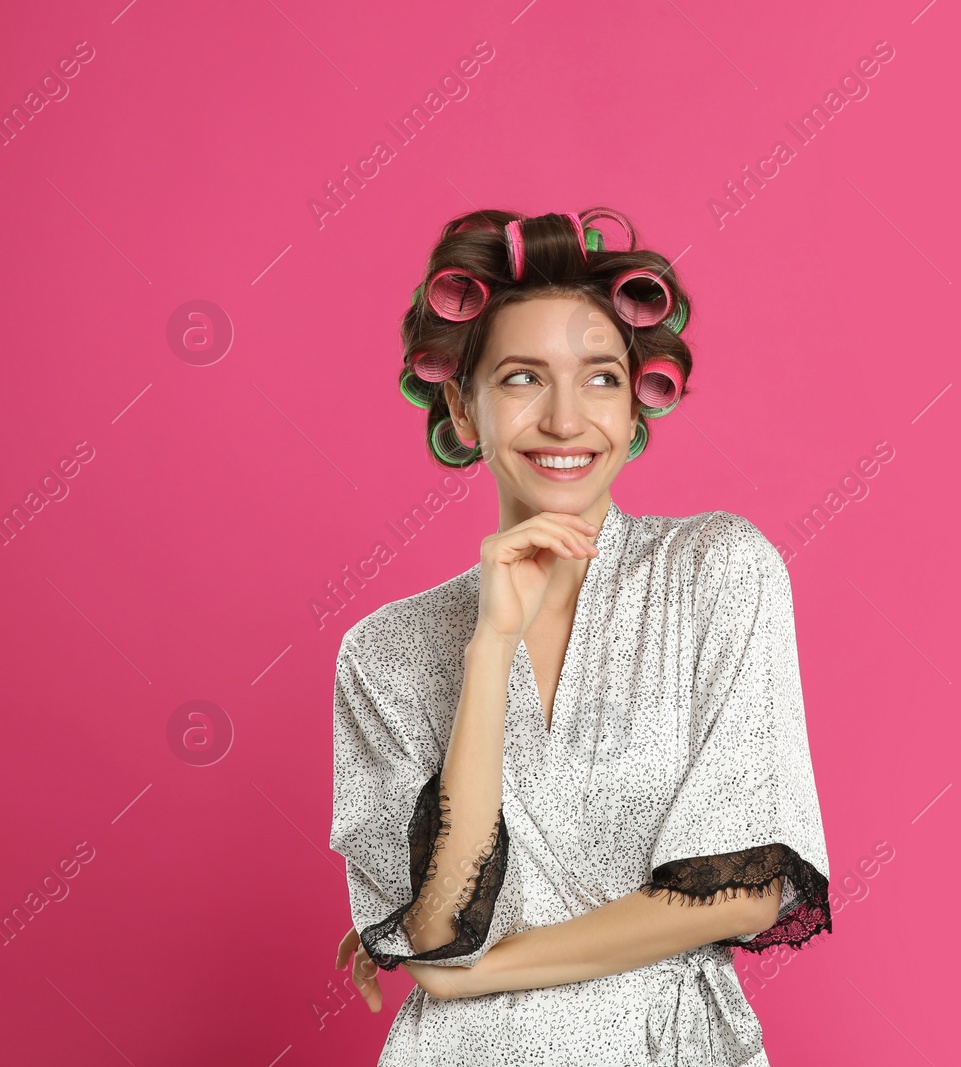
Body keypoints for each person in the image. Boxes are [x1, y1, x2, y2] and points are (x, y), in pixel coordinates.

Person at [327, 207, 831, 1066]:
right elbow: (443, 923)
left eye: (600, 378)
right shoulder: (385, 652)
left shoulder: (718, 570)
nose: (567, 419)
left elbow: (744, 889)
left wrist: (473, 972)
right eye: (523, 377)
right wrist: (489, 649)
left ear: (634, 402)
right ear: (462, 402)